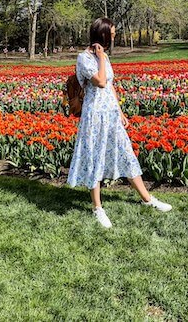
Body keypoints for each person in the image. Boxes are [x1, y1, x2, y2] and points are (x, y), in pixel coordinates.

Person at [67, 18, 172, 228]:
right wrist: (100, 59)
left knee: (126, 153)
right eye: (112, 33)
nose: (114, 37)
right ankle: (97, 208)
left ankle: (148, 200)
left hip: (111, 115)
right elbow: (101, 82)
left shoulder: (103, 56)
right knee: (95, 158)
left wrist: (120, 111)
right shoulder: (84, 58)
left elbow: (111, 86)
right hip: (94, 117)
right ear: (102, 33)